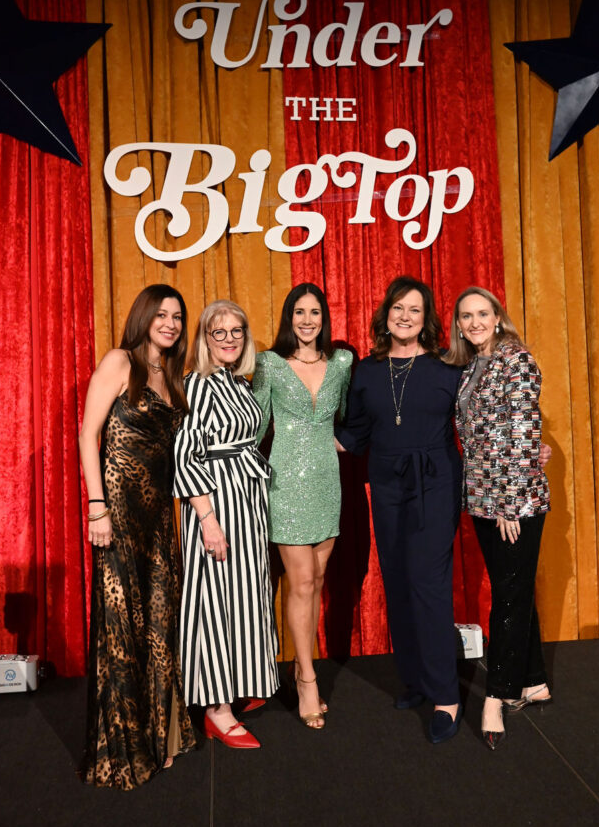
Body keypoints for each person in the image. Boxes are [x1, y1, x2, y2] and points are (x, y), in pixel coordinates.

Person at [335, 275, 463, 744]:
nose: (405, 316)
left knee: (428, 583)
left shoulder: (448, 367)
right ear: (385, 314)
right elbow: (354, 433)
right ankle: (416, 680)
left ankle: (446, 695)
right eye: (398, 308)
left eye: (415, 309)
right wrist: (296, 443)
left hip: (436, 482)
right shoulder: (367, 371)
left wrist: (525, 451)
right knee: (398, 580)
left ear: (426, 319)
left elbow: (480, 422)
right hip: (387, 484)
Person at [78, 284, 195, 789]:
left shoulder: (173, 375)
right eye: (161, 314)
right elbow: (88, 434)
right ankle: (126, 748)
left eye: (177, 316)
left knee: (159, 624)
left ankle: (160, 736)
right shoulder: (119, 361)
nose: (169, 323)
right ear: (144, 316)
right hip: (119, 513)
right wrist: (96, 507)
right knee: (122, 628)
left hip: (160, 518)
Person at [446, 286, 551, 750]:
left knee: (507, 596)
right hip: (481, 499)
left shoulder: (516, 360)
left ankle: (496, 695)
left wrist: (510, 502)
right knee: (515, 588)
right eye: (466, 316)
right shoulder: (472, 366)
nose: (474, 323)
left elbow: (525, 431)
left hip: (515, 503)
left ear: (497, 316)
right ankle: (533, 680)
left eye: (482, 314)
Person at [174, 300, 279, 749]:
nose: (230, 339)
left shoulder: (237, 382)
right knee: (214, 601)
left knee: (245, 595)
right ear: (204, 338)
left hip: (247, 499)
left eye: (237, 331)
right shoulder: (197, 384)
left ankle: (240, 682)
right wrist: (207, 519)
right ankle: (217, 711)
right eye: (219, 332)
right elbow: (185, 455)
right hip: (216, 501)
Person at [253, 283, 352, 729]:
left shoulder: (342, 363)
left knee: (317, 579)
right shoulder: (270, 364)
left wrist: (345, 442)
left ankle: (300, 666)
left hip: (327, 482)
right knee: (302, 581)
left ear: (323, 317)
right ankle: (308, 680)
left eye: (314, 312)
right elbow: (255, 425)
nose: (307, 320)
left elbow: (349, 416)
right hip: (285, 484)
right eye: (299, 312)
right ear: (288, 317)